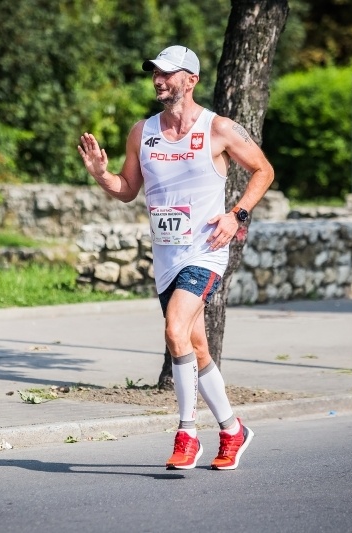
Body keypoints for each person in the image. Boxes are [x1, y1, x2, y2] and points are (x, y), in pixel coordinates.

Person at [77, 45, 274, 470]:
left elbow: (264, 170)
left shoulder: (217, 128)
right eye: (155, 73)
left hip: (205, 251)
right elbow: (127, 189)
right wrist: (100, 175)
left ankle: (186, 433)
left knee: (173, 329)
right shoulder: (141, 132)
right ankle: (233, 429)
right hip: (166, 257)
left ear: (191, 80)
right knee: (195, 344)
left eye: (168, 73)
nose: (159, 80)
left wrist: (236, 215)